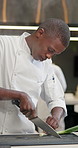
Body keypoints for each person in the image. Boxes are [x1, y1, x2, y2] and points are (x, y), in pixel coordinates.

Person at [0, 18, 70, 134]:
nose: (49, 56)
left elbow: (57, 99)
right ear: (40, 33)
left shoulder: (46, 64)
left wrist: (55, 117)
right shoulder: (4, 45)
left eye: (54, 54)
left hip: (24, 135)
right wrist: (20, 95)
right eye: (50, 50)